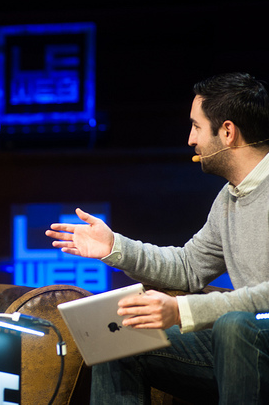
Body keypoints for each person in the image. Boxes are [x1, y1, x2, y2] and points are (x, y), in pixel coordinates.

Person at [46, 72, 269, 404]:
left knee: (234, 326)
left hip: (248, 336)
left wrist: (181, 310)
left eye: (196, 126)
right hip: (241, 343)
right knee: (120, 340)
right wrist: (115, 248)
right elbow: (188, 267)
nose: (191, 140)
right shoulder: (228, 199)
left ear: (227, 132)